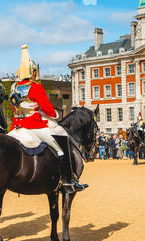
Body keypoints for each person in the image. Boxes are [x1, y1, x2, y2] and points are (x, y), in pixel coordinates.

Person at [9, 44, 87, 193]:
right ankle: (68, 181)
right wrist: (55, 115)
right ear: (33, 72)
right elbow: (47, 109)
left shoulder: (14, 88)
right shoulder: (36, 87)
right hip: (33, 126)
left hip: (16, 126)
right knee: (61, 147)